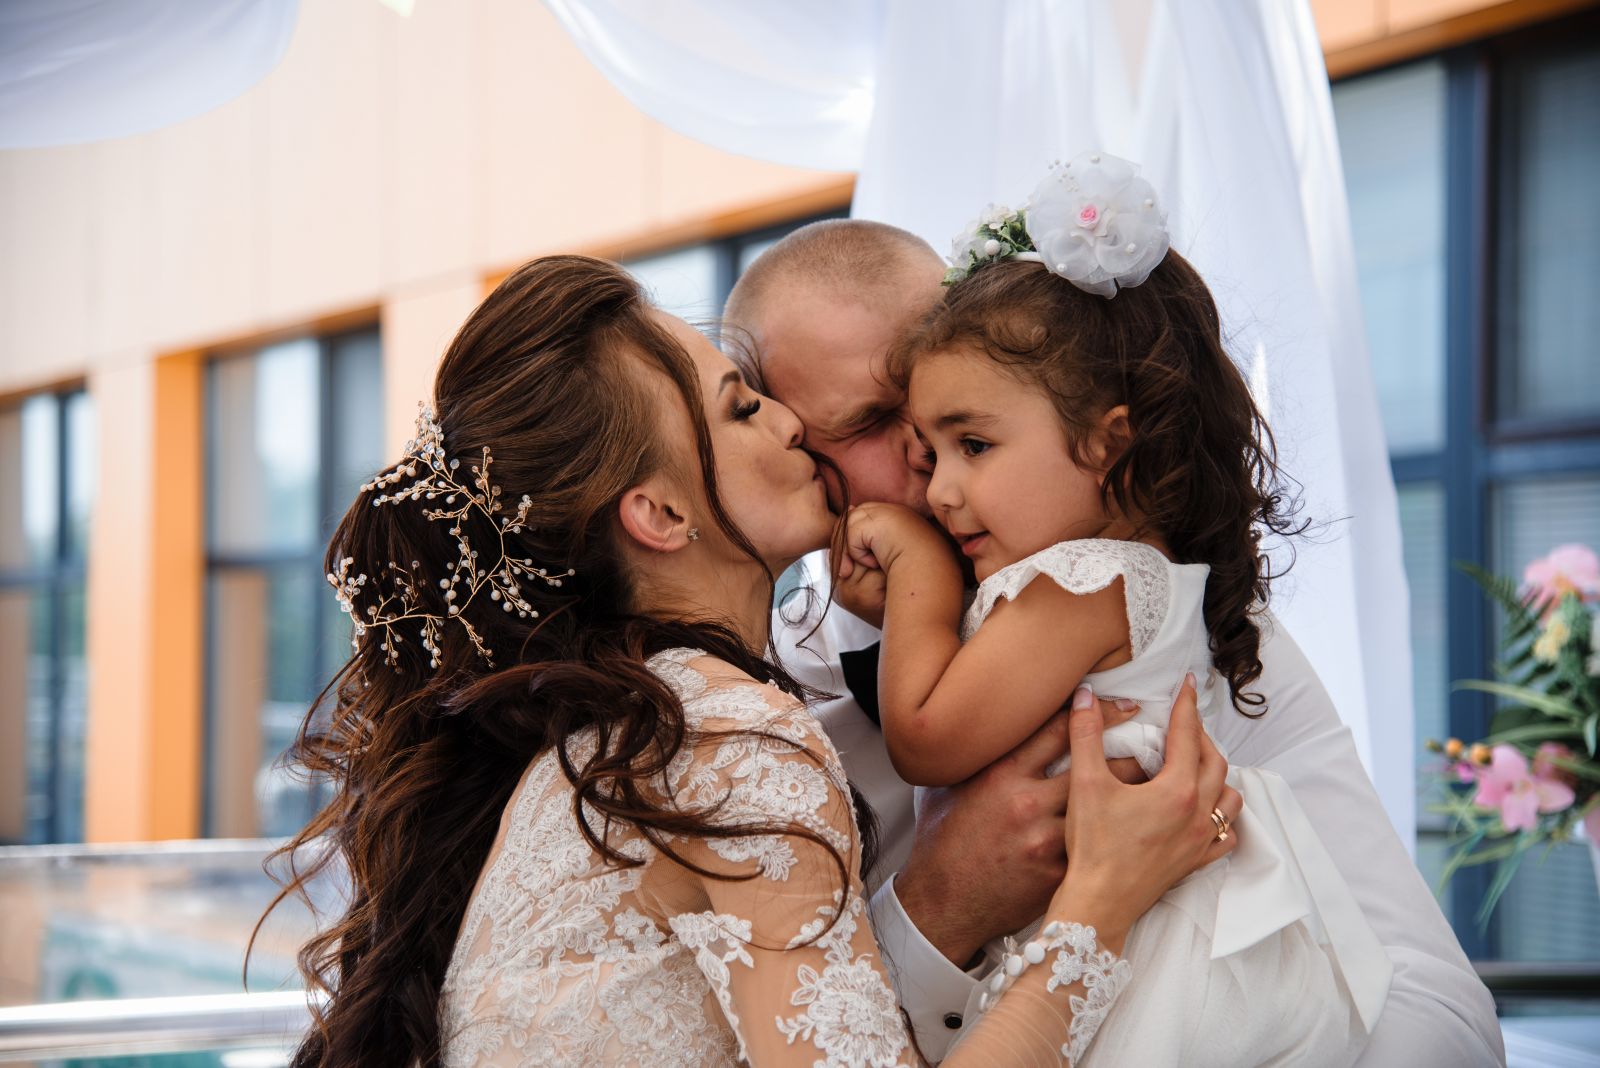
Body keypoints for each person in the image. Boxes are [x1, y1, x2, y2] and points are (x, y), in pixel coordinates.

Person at [267, 254, 1242, 1066]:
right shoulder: (724, 738)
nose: (790, 425)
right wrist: (1099, 907)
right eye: (743, 408)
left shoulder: (622, 735)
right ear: (660, 514)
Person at [725, 213, 1505, 1062]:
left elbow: (1435, 1005)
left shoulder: (1182, 616)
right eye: (878, 419)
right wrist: (936, 910)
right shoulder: (754, 702)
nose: (926, 453)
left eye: (967, 421)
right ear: (793, 443)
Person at [835, 153, 1382, 1065]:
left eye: (974, 445)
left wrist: (917, 569)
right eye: (932, 452)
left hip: (1142, 952)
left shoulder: (1085, 582)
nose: (938, 490)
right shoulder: (1111, 575)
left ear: (1107, 443)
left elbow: (925, 736)